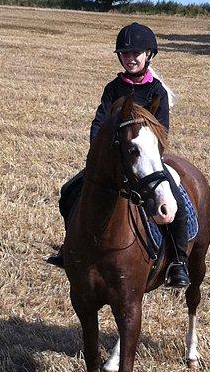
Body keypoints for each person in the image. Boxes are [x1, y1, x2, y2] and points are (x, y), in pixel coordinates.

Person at [47, 23, 191, 288]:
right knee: (70, 191)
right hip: (114, 161)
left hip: (146, 162)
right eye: (125, 54)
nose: (131, 58)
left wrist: (146, 154)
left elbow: (162, 132)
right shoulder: (113, 88)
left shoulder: (156, 90)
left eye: (136, 53)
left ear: (149, 55)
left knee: (176, 200)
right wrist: (99, 153)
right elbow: (99, 123)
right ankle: (70, 249)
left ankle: (178, 261)